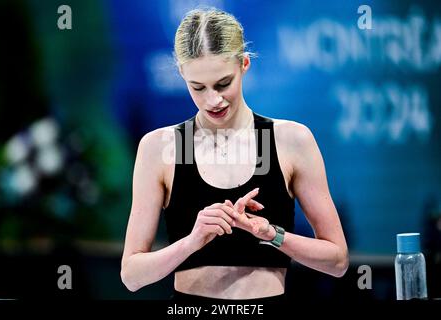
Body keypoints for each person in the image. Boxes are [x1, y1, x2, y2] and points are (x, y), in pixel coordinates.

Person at [120, 8, 349, 301]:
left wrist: (273, 236)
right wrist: (191, 243)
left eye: (223, 84)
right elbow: (131, 275)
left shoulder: (291, 140)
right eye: (198, 87)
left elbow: (338, 261)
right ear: (181, 74)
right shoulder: (159, 148)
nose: (213, 100)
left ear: (244, 63)